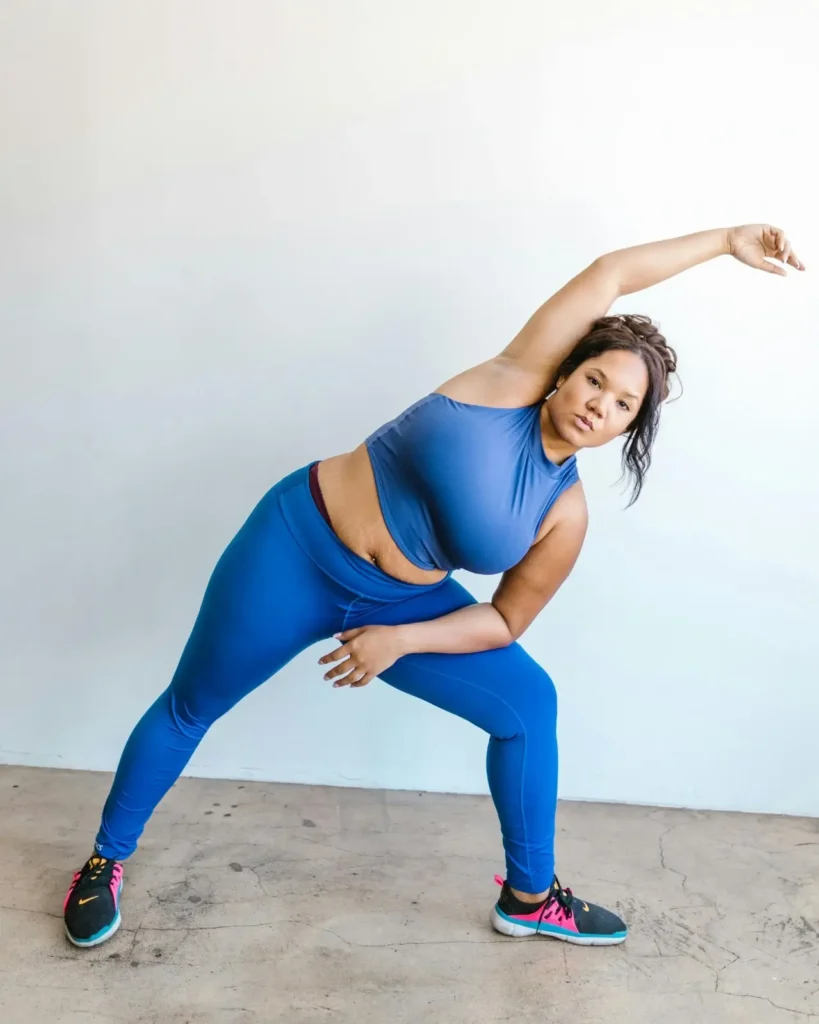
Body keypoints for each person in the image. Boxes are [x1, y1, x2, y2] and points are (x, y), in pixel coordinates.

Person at [62, 224, 803, 949]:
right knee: (192, 706)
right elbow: (608, 272)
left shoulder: (564, 515)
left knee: (527, 704)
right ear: (564, 371)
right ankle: (103, 862)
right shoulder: (510, 379)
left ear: (624, 431)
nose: (597, 404)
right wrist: (724, 241)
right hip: (294, 546)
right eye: (594, 380)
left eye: (620, 406)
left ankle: (530, 898)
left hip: (401, 603)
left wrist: (401, 639)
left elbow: (504, 621)